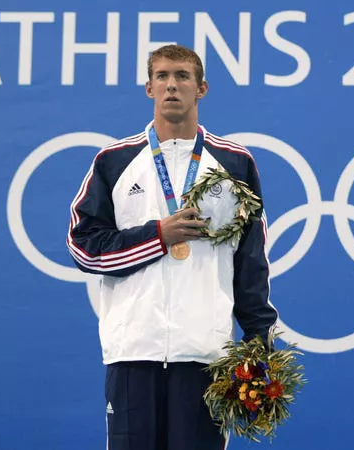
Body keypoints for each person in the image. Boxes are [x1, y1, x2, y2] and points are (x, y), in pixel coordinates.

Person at [66, 44, 278, 450]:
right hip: (133, 352)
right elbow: (84, 247)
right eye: (162, 76)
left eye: (182, 76)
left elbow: (250, 265)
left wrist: (259, 346)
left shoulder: (234, 163)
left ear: (202, 88)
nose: (171, 86)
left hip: (205, 354)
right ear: (148, 88)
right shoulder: (114, 160)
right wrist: (157, 236)